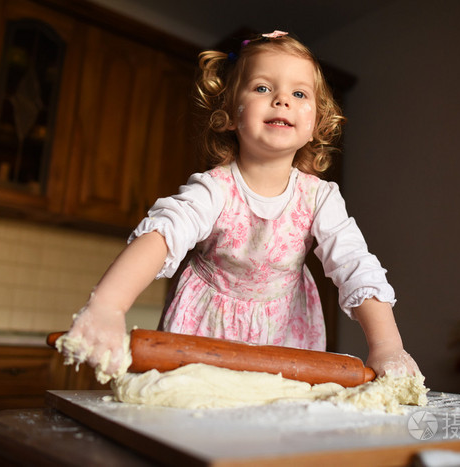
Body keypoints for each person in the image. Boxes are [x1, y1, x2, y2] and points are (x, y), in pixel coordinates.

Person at [58, 30, 420, 383]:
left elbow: (355, 264)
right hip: (204, 329)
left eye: (298, 92)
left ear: (315, 124)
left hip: (286, 334)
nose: (282, 100)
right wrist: (107, 308)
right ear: (230, 113)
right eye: (263, 88)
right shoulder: (213, 190)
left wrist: (388, 346)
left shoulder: (320, 198)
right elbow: (160, 238)